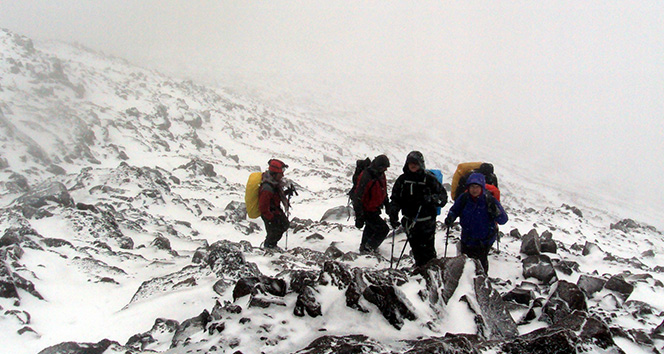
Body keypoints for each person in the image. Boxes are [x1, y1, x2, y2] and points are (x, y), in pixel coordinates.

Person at [389, 151, 448, 267]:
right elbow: (395, 198)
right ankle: (421, 270)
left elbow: (443, 198)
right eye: (410, 162)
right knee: (416, 249)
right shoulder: (402, 180)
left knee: (428, 250)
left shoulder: (429, 179)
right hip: (409, 221)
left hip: (427, 222)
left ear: (420, 163)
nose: (413, 165)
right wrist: (393, 212)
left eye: (415, 163)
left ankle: (429, 271)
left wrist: (431, 199)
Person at [444, 172, 508, 273]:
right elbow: (455, 210)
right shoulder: (464, 198)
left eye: (477, 187)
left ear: (482, 187)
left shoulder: (489, 200)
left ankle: (481, 282)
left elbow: (503, 220)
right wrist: (450, 218)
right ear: (468, 187)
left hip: (484, 240)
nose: (474, 190)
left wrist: (495, 212)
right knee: (466, 264)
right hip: (467, 238)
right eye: (472, 187)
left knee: (480, 264)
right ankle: (468, 283)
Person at [354, 154, 391, 254]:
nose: (385, 170)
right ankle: (369, 248)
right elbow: (358, 197)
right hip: (367, 209)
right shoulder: (367, 176)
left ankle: (364, 247)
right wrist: (359, 216)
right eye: (384, 167)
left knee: (370, 227)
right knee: (383, 229)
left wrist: (387, 205)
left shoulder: (380, 174)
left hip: (373, 208)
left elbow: (383, 191)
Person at [259, 159, 291, 249]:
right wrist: (271, 218)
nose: (282, 175)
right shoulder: (267, 188)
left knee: (282, 225)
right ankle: (269, 247)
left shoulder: (273, 183)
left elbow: (275, 196)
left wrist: (286, 193)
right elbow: (263, 206)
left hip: (274, 211)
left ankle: (271, 246)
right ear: (274, 174)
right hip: (270, 213)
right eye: (280, 173)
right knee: (275, 230)